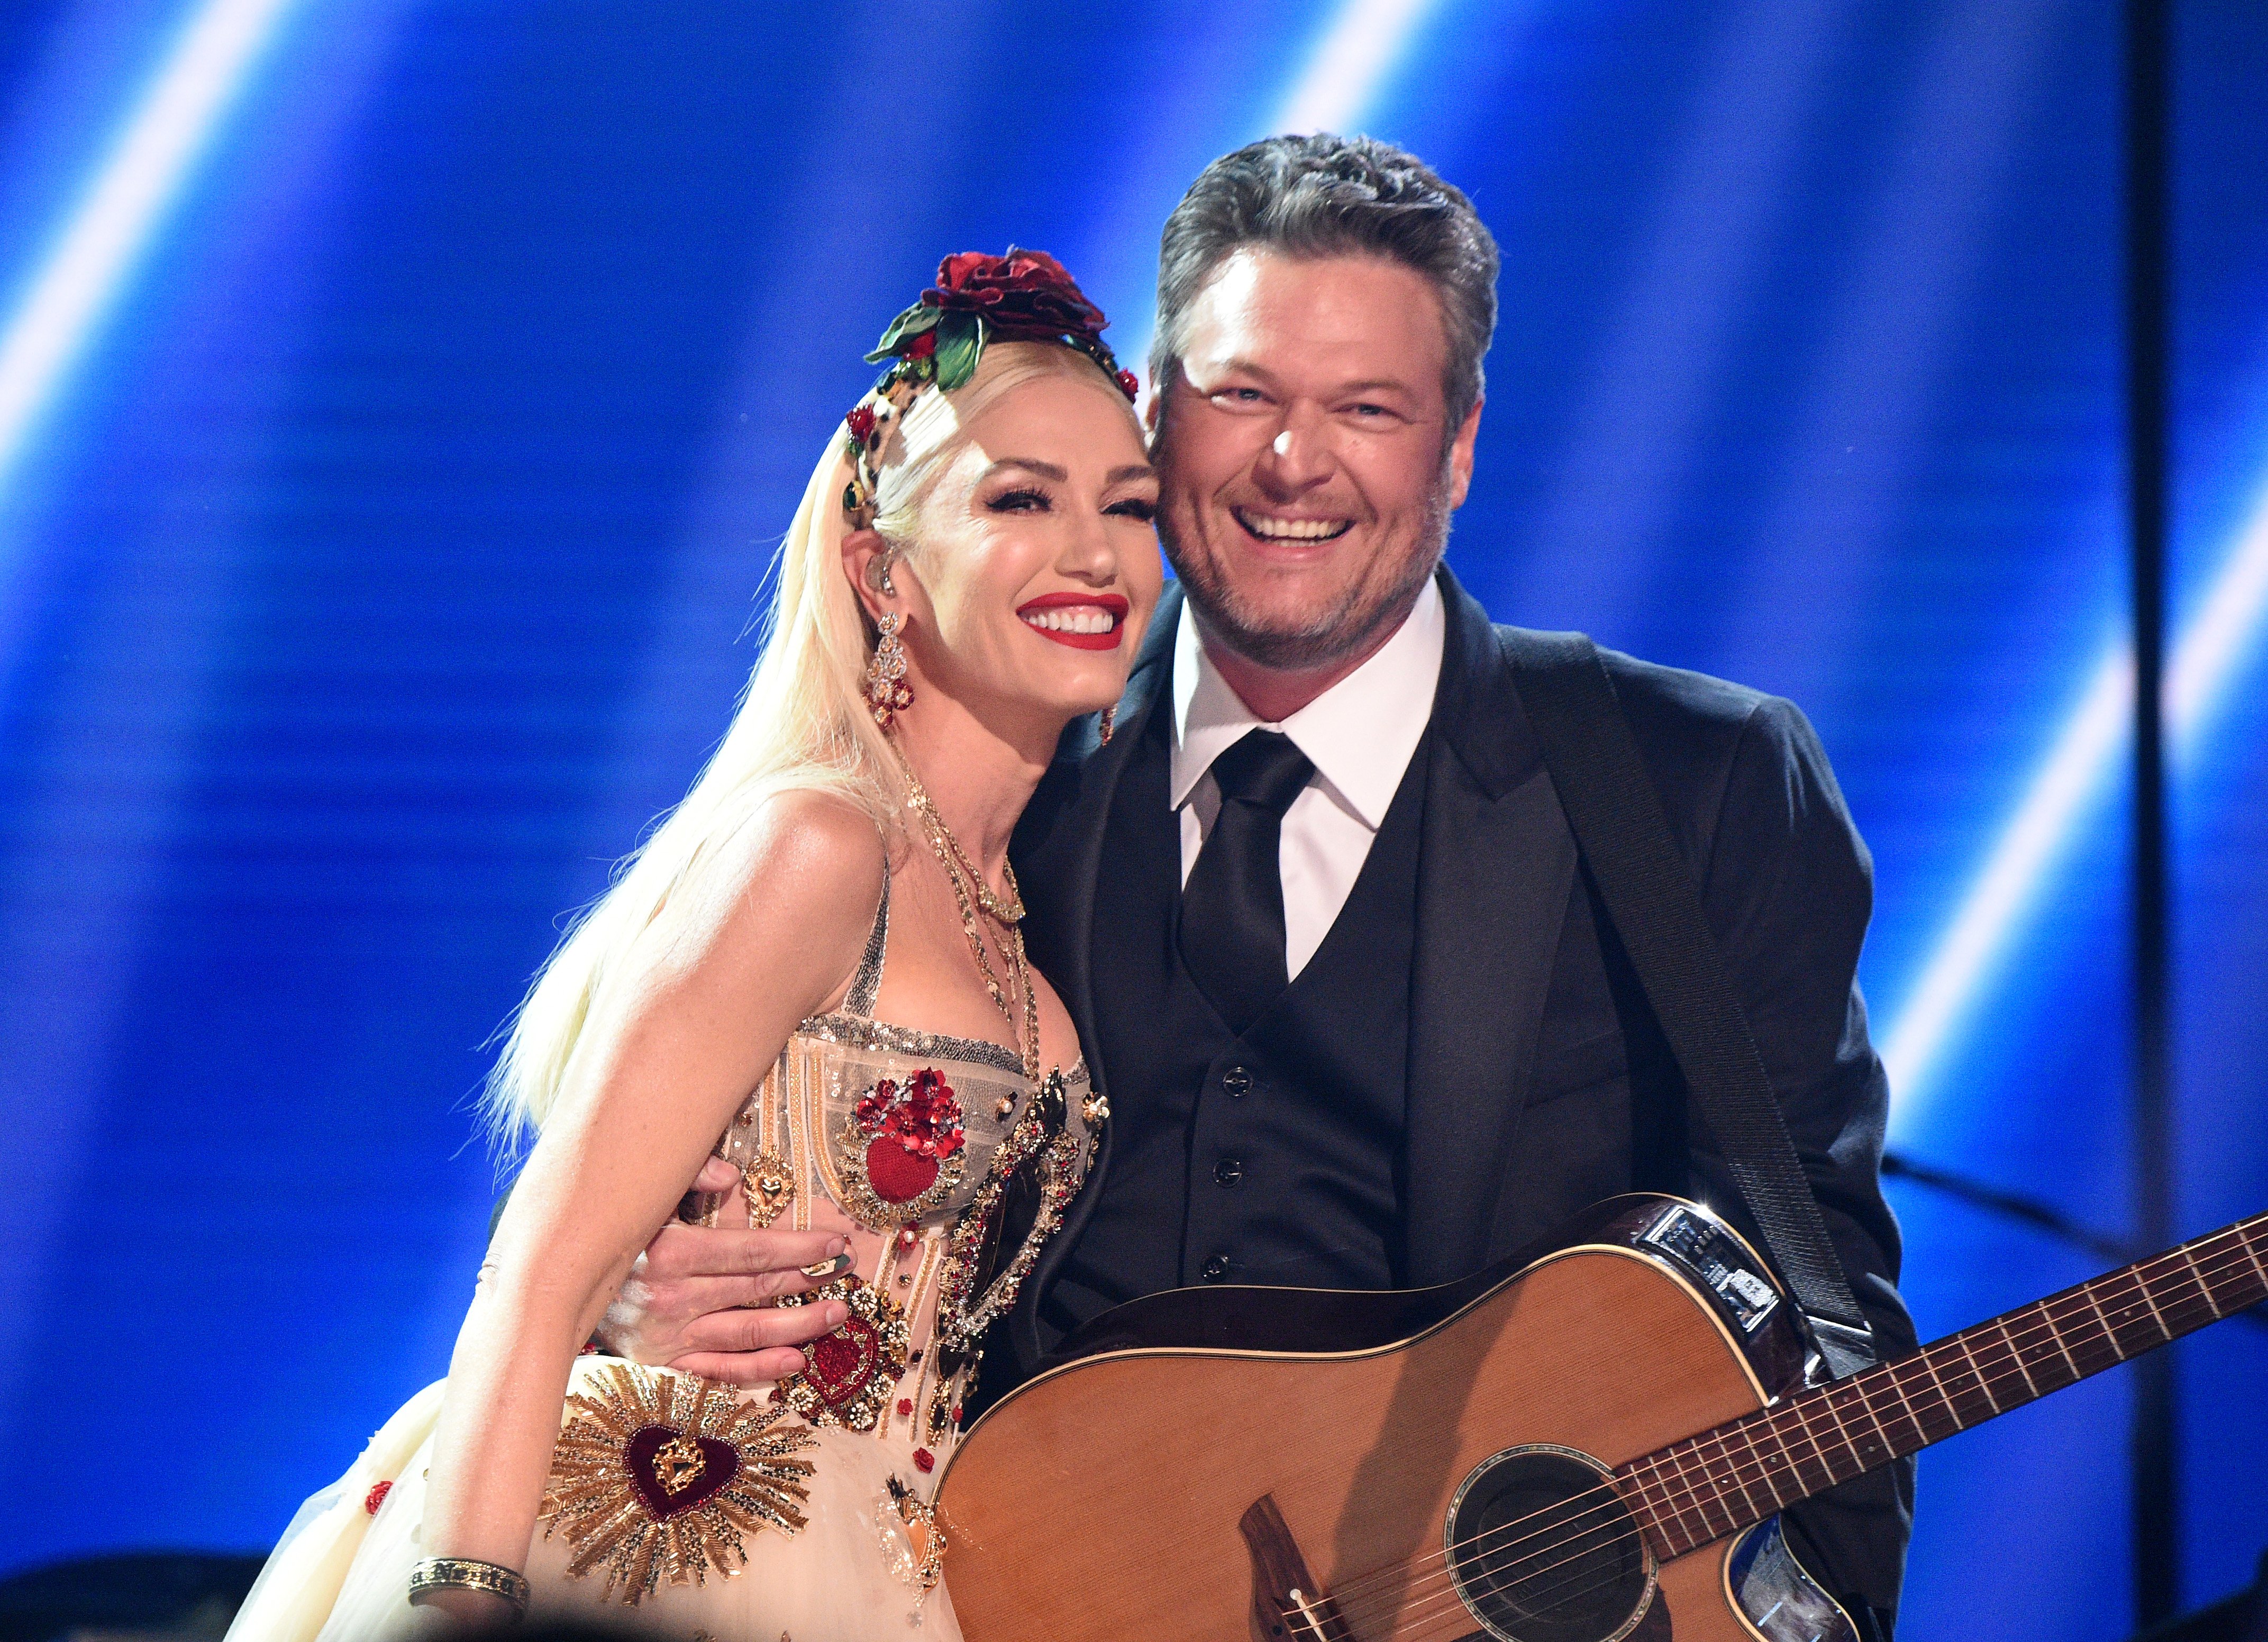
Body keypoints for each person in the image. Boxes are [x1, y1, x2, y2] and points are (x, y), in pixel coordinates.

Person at [600, 136, 1921, 1639]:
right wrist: (640, 1304)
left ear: (1461, 446)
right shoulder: (985, 780)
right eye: (1245, 396)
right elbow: (693, 1181)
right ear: (1153, 415)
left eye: (1369, 407)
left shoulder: (1694, 783)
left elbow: (1830, 1315)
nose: (1296, 463)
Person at [223, 250, 1162, 1641]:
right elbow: (543, 1267)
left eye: (1128, 505)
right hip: (653, 1542)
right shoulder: (819, 846)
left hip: (904, 1569)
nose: (1094, 553)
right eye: (1020, 498)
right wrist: (462, 1610)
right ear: (879, 569)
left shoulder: (1016, 903)